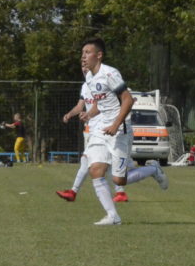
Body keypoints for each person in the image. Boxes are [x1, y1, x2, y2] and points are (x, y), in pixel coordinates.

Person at [60, 38, 168, 225]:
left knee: (119, 180)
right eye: (82, 53)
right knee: (95, 170)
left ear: (99, 55)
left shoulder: (110, 73)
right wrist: (90, 114)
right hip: (102, 130)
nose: (83, 57)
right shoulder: (89, 78)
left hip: (119, 130)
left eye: (87, 52)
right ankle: (113, 216)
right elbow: (102, 104)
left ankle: (153, 169)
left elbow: (127, 100)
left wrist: (116, 124)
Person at [56, 84, 127, 203]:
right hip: (91, 129)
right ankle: (120, 192)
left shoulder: (102, 83)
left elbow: (102, 106)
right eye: (82, 66)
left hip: (102, 129)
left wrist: (89, 115)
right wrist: (70, 114)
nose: (84, 68)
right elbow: (80, 106)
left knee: (87, 160)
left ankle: (73, 192)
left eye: (86, 66)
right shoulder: (85, 86)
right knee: (101, 164)